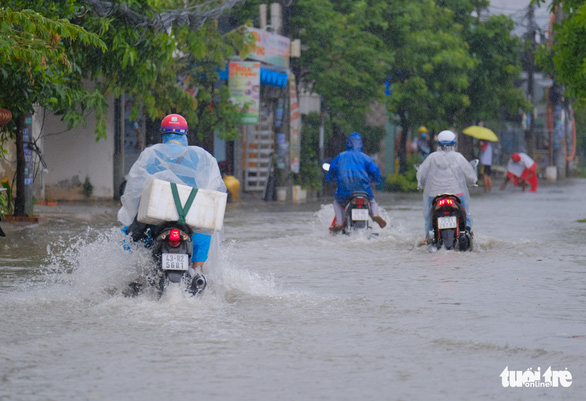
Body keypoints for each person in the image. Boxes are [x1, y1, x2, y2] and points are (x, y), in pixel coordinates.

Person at [118, 113, 226, 272]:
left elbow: (135, 189)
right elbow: (212, 188)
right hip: (190, 216)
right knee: (203, 231)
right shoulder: (201, 155)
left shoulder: (151, 154)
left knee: (130, 236)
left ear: (163, 133)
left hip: (156, 217)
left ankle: (137, 275)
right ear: (185, 134)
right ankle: (197, 270)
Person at [416, 130, 477, 241]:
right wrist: (472, 183)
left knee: (428, 217)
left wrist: (421, 185)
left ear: (438, 143)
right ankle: (466, 230)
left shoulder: (432, 157)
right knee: (466, 213)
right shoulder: (458, 157)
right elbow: (470, 176)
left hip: (434, 196)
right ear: (454, 143)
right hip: (456, 195)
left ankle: (429, 235)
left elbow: (422, 175)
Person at [326, 132, 387, 232]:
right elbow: (376, 172)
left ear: (348, 144)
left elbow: (331, 173)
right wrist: (375, 180)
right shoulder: (366, 158)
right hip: (364, 192)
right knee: (372, 201)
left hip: (344, 193)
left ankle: (339, 222)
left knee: (337, 202)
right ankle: (375, 214)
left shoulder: (340, 157)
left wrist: (331, 179)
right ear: (360, 144)